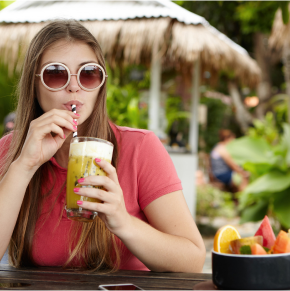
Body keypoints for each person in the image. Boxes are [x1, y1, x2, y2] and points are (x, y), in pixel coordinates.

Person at [0, 20, 205, 273]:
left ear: (100, 84)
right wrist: (23, 166)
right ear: (34, 83)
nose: (74, 86)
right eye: (56, 73)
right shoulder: (11, 149)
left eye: (88, 73)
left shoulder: (139, 148)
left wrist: (123, 222)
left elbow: (193, 260)